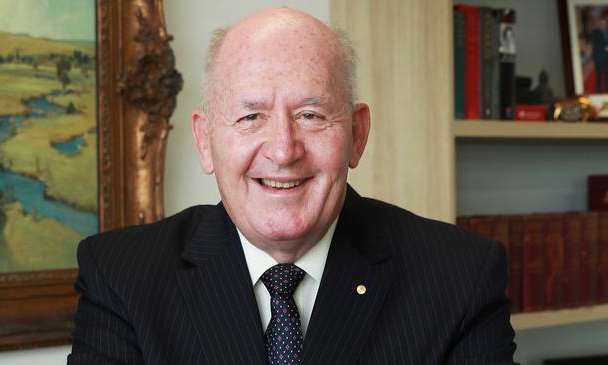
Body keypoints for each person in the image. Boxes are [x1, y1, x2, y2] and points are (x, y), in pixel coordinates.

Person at [67, 7, 516, 365]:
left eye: (311, 115)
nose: (283, 150)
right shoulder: (122, 278)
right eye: (250, 117)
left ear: (357, 135)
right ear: (205, 141)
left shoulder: (460, 278)